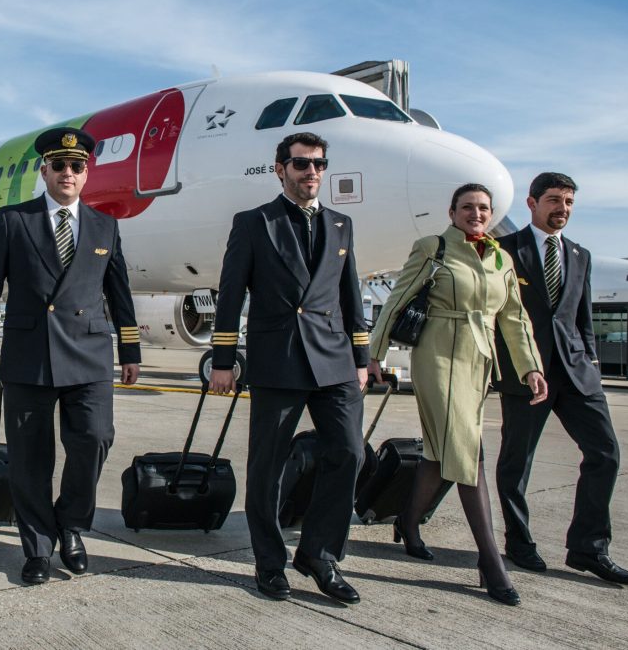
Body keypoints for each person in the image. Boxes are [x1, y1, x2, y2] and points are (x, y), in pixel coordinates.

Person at [0, 128, 140, 585]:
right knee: (30, 458)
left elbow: (118, 293)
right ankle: (38, 548)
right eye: (60, 165)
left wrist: (131, 350)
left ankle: (71, 526)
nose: (68, 172)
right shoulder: (13, 220)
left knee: (96, 438)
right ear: (44, 170)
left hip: (89, 354)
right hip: (30, 355)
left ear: (88, 173)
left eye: (77, 166)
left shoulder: (105, 225)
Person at [368, 183, 548, 606]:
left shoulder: (501, 257)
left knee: (442, 452)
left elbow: (515, 320)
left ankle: (409, 524)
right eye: (467, 207)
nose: (477, 213)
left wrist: (531, 367)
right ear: (452, 212)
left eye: (483, 208)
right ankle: (490, 560)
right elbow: (397, 300)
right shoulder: (433, 247)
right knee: (469, 454)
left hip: (479, 361)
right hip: (437, 357)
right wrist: (373, 353)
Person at [209, 132, 368, 605]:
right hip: (277, 359)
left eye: (319, 163)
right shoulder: (255, 222)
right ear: (280, 169)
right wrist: (222, 360)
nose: (312, 172)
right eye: (301, 164)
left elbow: (350, 295)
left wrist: (361, 358)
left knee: (350, 453)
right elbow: (231, 293)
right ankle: (269, 561)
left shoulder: (341, 225)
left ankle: (319, 554)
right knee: (268, 467)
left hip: (334, 359)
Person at [493, 173, 628, 584]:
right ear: (532, 203)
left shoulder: (579, 254)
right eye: (554, 200)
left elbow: (580, 317)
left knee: (605, 455)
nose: (563, 209)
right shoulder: (503, 251)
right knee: (517, 463)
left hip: (576, 374)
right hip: (526, 371)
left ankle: (589, 548)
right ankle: (519, 542)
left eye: (569, 202)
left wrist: (589, 358)